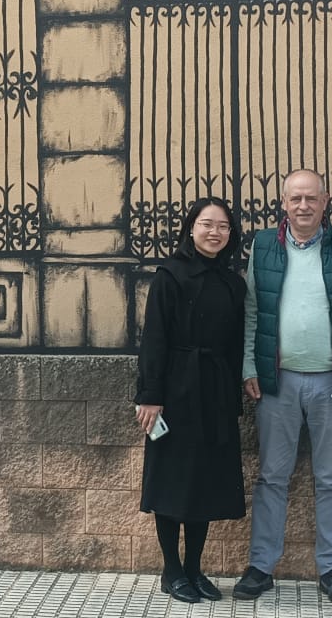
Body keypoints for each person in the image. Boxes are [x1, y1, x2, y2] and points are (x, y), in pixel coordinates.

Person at [233, 169, 332, 606]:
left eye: (311, 198)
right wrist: (249, 367)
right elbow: (251, 314)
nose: (303, 206)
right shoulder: (264, 245)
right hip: (277, 383)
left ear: (325, 202)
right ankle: (261, 566)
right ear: (283, 202)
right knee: (271, 477)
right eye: (295, 198)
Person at [134, 196, 248, 603]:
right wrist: (150, 396)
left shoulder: (234, 283)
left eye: (223, 226)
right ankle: (171, 570)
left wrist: (234, 392)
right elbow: (154, 339)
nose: (215, 232)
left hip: (215, 390)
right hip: (175, 390)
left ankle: (195, 569)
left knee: (205, 482)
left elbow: (236, 343)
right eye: (207, 224)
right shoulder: (170, 276)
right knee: (173, 480)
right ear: (191, 228)